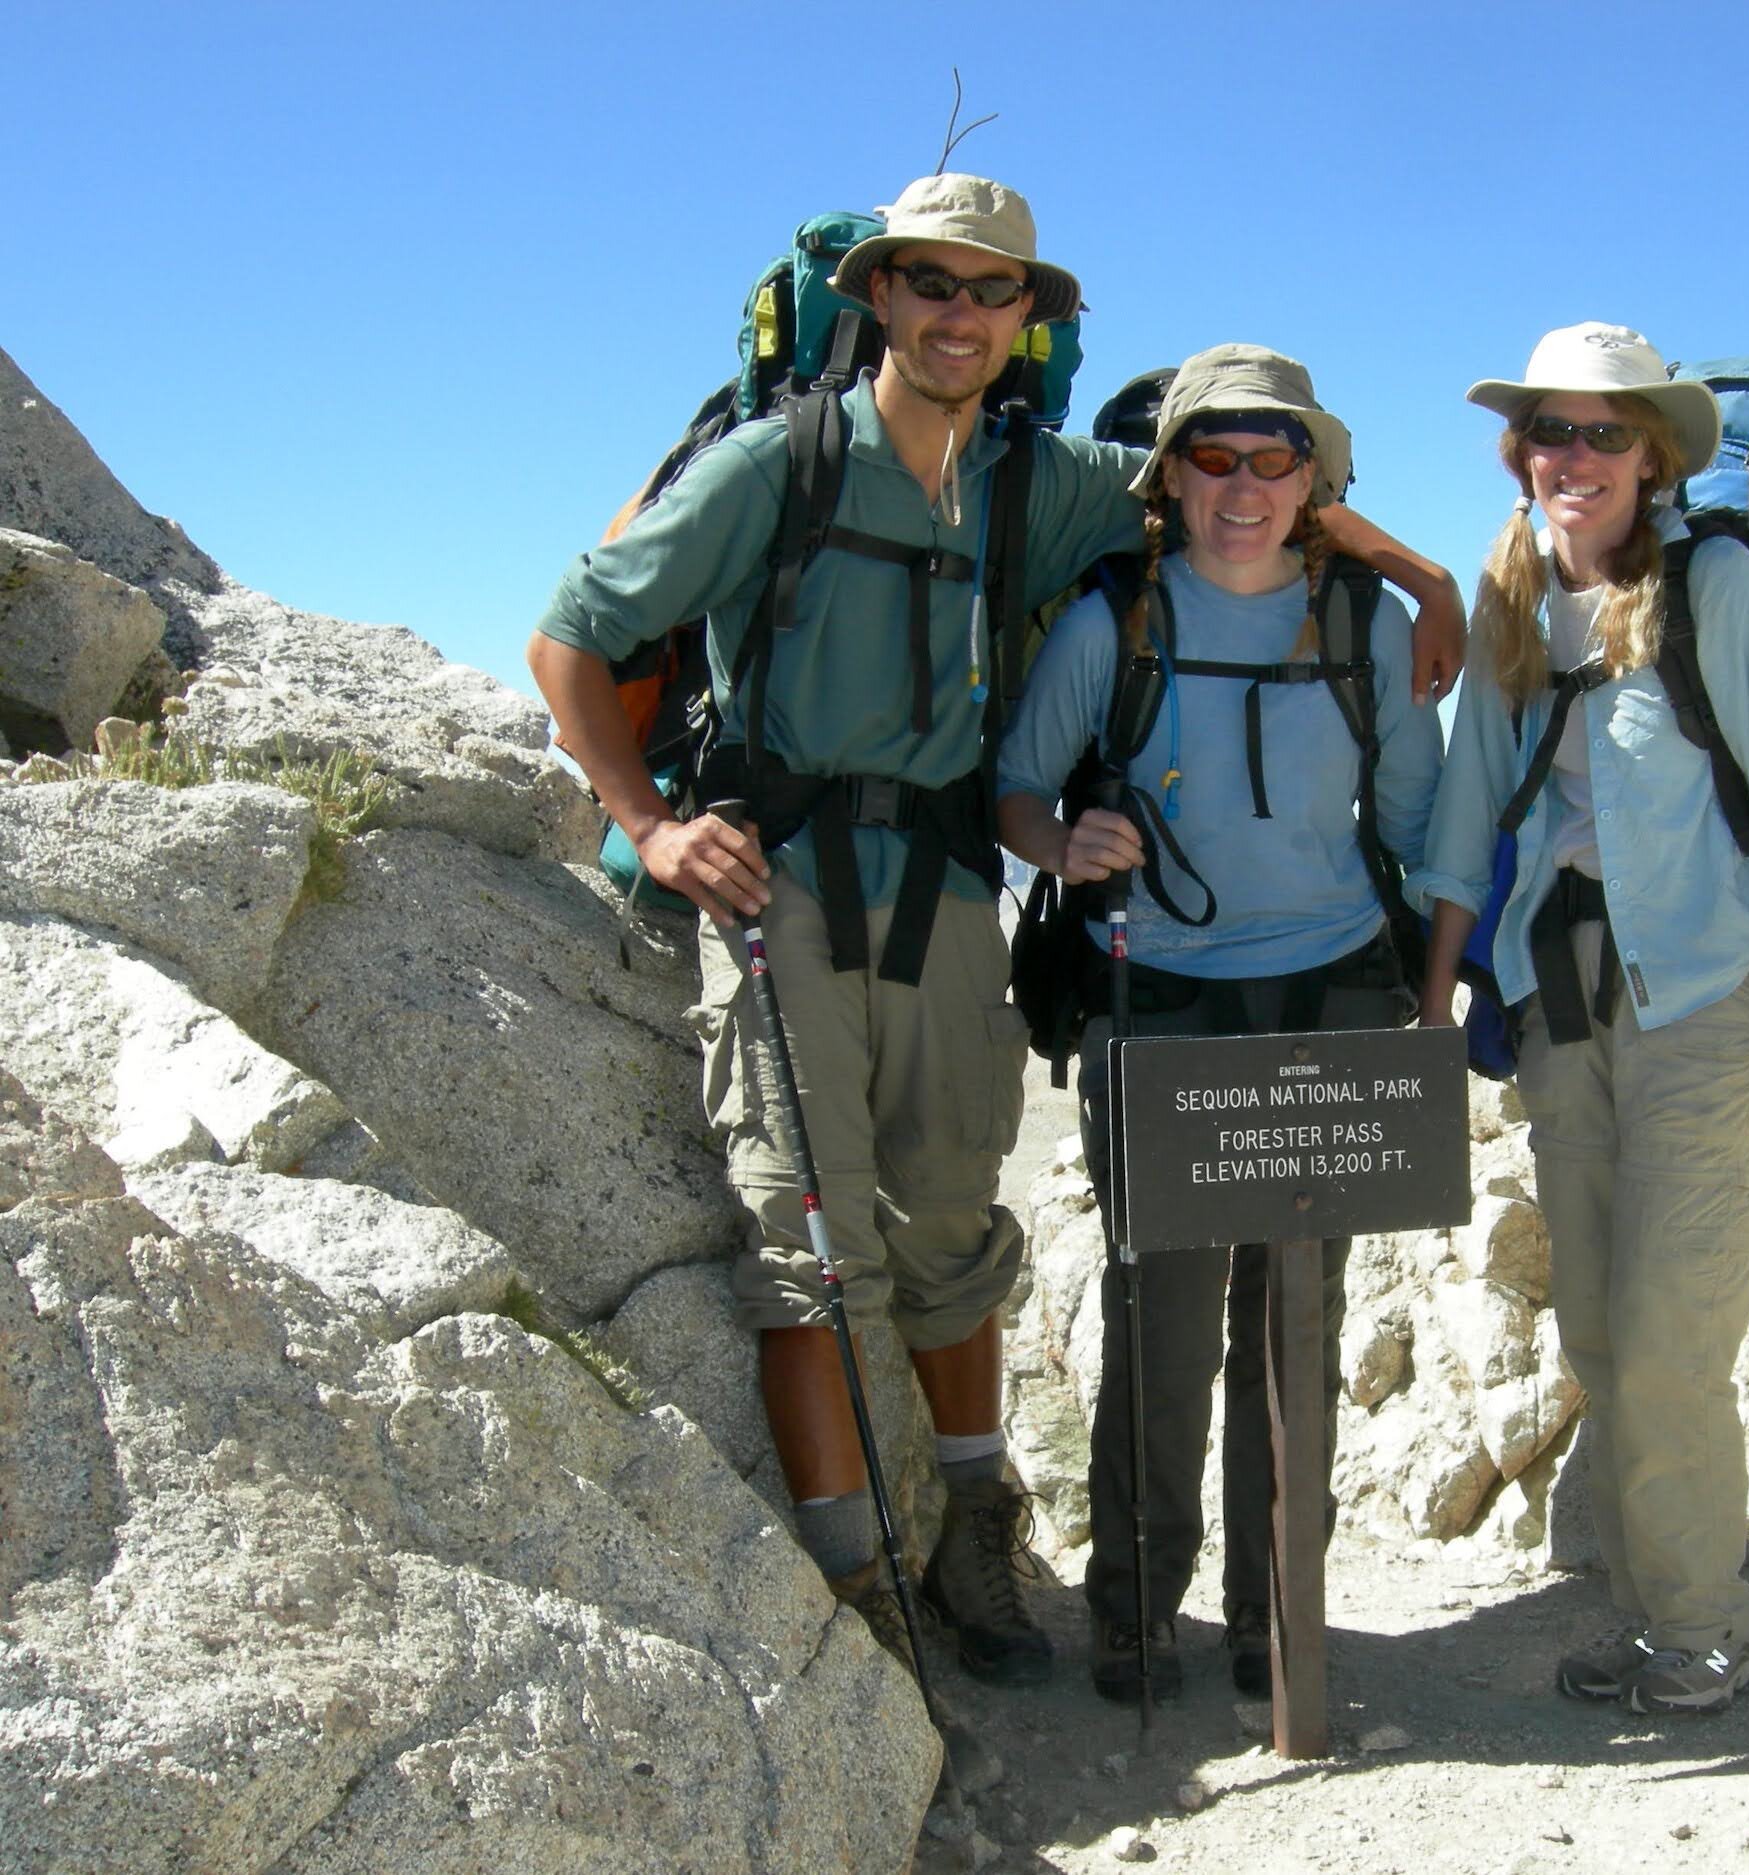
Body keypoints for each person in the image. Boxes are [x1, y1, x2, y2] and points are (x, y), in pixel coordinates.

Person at [527, 173, 1465, 1718]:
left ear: (1027, 318)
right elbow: (568, 631)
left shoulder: (1048, 481)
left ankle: (974, 1533)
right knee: (807, 1246)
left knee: (954, 1225)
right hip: (780, 881)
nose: (962, 316)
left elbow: (1219, 483)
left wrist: (1419, 573)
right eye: (933, 286)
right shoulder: (776, 466)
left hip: (952, 890)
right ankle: (850, 1600)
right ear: (877, 297)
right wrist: (652, 820)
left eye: (993, 292)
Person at [1409, 322, 1749, 1717]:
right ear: (1520, 452)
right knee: (1598, 1332)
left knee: (1670, 1335)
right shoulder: (1516, 601)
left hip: (1706, 1004)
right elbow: (1470, 807)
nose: (1576, 457)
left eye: (1607, 434)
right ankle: (1659, 1609)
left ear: (1656, 456)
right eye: (1554, 431)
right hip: (1559, 1003)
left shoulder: (1715, 585)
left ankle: (1707, 1626)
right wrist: (1435, 1000)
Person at [996, 344, 1442, 1702]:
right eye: (1212, 457)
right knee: (1164, 1327)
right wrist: (1065, 841)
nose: (1241, 487)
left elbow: (1420, 828)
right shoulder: (1110, 627)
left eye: (1273, 459)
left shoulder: (1368, 624)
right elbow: (1016, 792)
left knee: (1296, 1329)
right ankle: (1137, 1616)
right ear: (1169, 475)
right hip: (1163, 1004)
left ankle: (1275, 1620)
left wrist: (1428, 1016)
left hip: (1335, 1000)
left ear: (1312, 479)